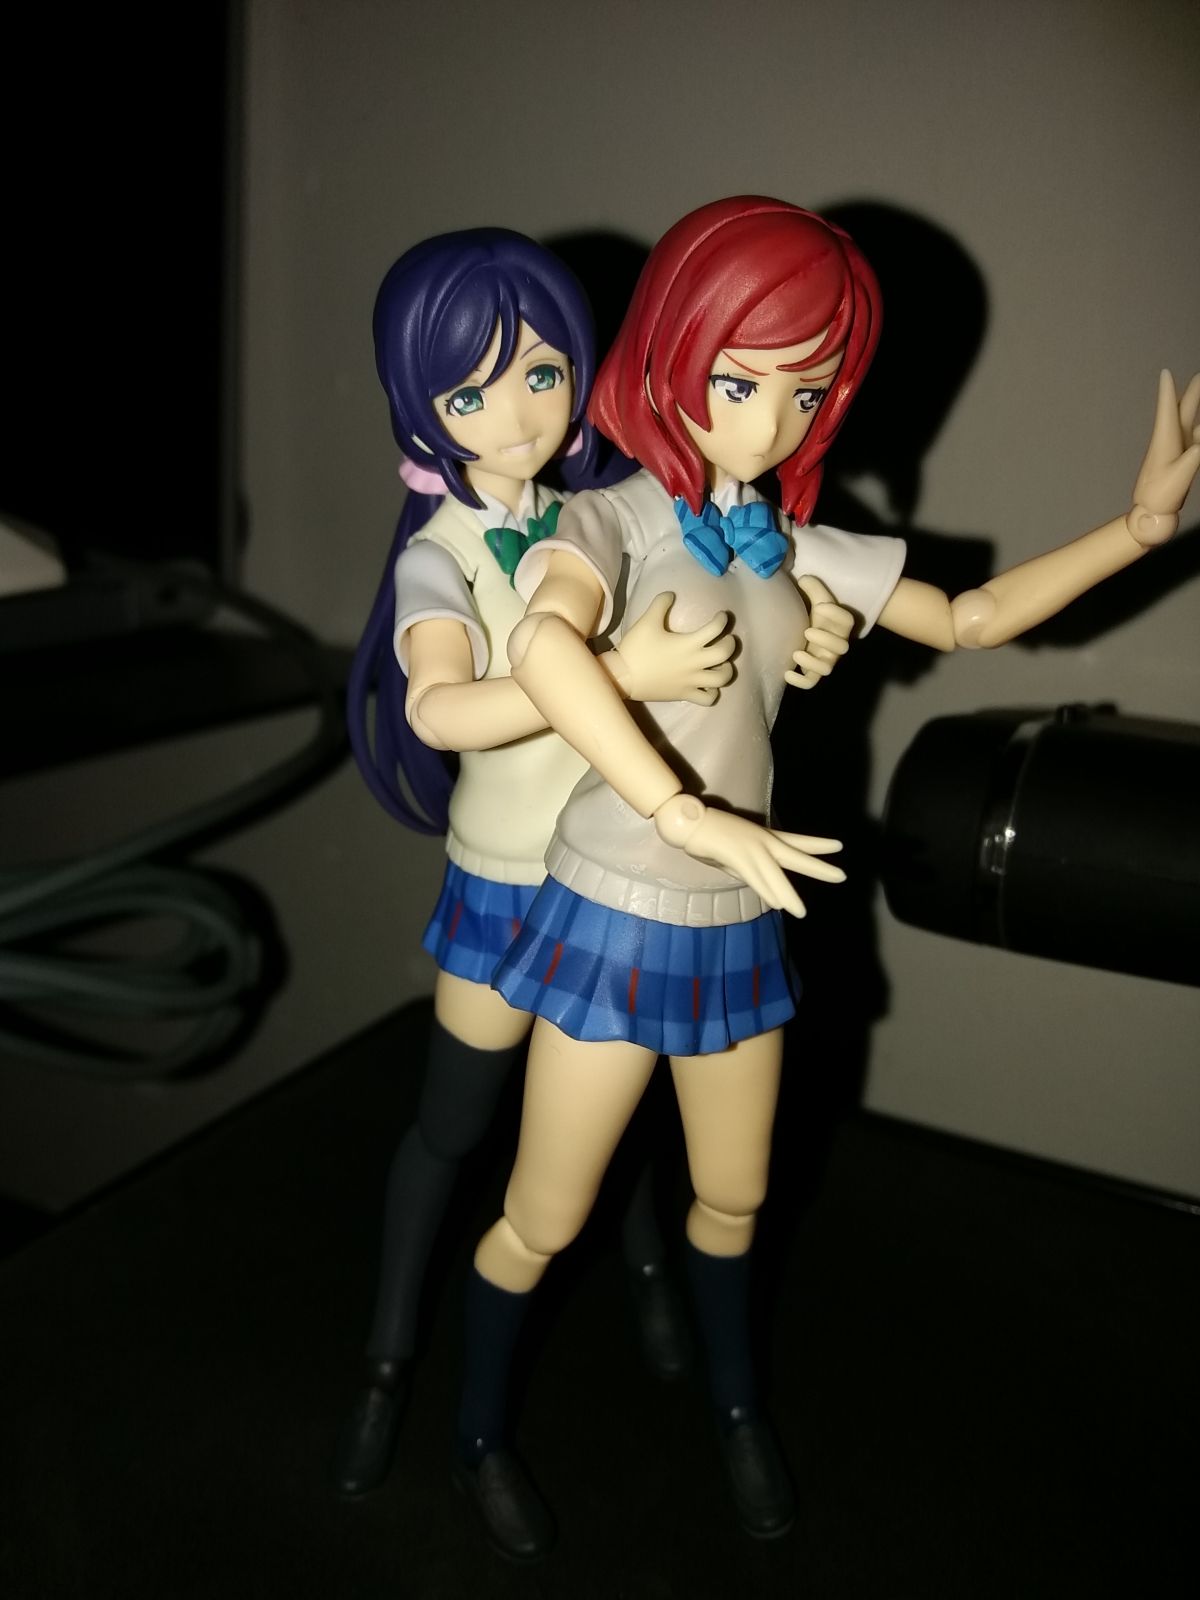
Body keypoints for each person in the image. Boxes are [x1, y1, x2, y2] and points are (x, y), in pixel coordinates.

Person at [452, 196, 1200, 1554]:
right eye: (741, 382)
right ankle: (481, 1433)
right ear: (674, 353)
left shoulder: (784, 537)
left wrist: (1139, 530)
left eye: (804, 391)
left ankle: (738, 1409)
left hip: (744, 907)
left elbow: (968, 617)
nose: (769, 423)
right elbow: (547, 654)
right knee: (543, 1213)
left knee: (736, 1196)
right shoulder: (615, 516)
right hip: (617, 901)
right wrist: (682, 813)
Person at [334, 226, 851, 1510]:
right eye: (469, 393)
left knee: (611, 1122)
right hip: (508, 883)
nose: (517, 415)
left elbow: (738, 585)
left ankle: (654, 1282)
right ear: (419, 406)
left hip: (615, 880)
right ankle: (389, 1362)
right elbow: (443, 711)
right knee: (456, 1126)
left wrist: (803, 619)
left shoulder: (610, 508)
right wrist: (622, 673)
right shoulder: (440, 553)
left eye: (542, 374)